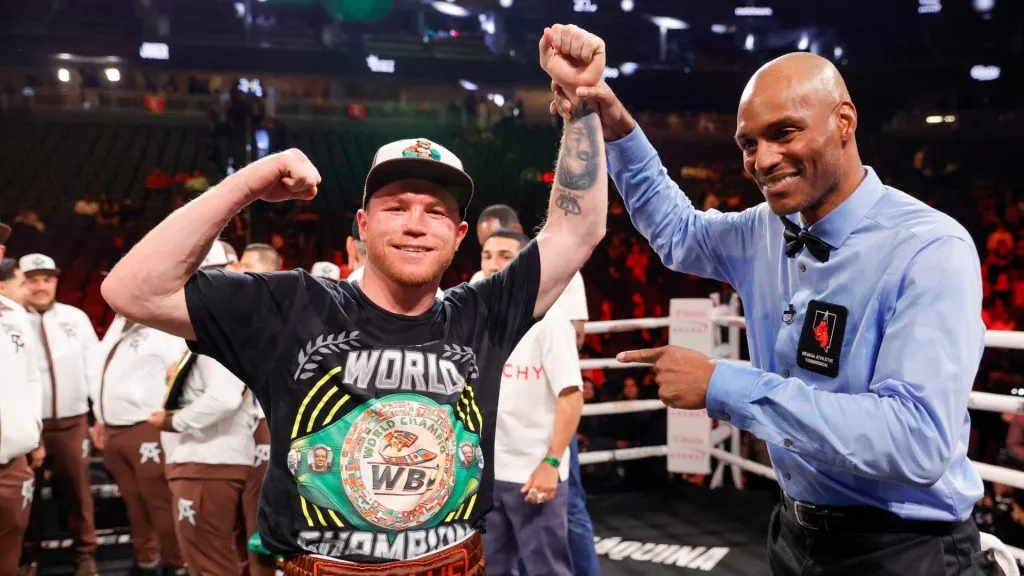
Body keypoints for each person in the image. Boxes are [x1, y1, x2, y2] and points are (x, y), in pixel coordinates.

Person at [98, 31, 607, 572]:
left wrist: (581, 103)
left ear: (459, 235)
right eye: (396, 207)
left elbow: (578, 231)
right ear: (363, 225)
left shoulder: (482, 312)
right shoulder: (292, 306)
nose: (415, 224)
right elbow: (132, 290)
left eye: (435, 211)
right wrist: (246, 185)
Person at [547, 23, 989, 575]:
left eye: (784, 133)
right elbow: (679, 232)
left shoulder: (929, 248)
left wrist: (723, 385)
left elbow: (917, 439)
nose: (763, 159)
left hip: (904, 548)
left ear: (844, 122)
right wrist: (614, 125)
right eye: (749, 144)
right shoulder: (766, 228)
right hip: (792, 532)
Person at [471, 204, 599, 576]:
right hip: (487, 472)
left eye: (504, 256)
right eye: (487, 256)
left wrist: (552, 462)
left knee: (547, 567)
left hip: (532, 471)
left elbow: (571, 396)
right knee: (490, 567)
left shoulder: (552, 320)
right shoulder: (475, 315)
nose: (493, 265)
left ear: (524, 264)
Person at [17, 253, 100, 576]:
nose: (41, 286)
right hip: (26, 426)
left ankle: (85, 554)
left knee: (79, 492)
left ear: (56, 281)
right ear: (20, 283)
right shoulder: (10, 320)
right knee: (28, 495)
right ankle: (27, 558)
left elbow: (94, 369)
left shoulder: (75, 318)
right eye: (33, 280)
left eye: (47, 279)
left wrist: (99, 416)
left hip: (72, 422)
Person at [92, 305, 188, 575]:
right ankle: (147, 561)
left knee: (160, 503)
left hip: (147, 426)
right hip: (114, 428)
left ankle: (176, 564)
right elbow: (104, 374)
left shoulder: (163, 325)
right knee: (134, 504)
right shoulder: (119, 323)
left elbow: (179, 372)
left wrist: (171, 415)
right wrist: (100, 417)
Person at [234, 242, 280, 576]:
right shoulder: (240, 315)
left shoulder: (282, 316)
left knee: (261, 507)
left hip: (269, 422)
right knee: (241, 516)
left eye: (246, 266)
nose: (238, 272)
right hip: (241, 427)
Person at [0, 252, 45, 576]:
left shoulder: (16, 316)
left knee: (11, 542)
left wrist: (32, 430)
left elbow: (32, 378)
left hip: (13, 457)